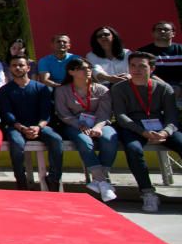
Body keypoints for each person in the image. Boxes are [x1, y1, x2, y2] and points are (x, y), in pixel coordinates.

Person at [111, 51, 179, 213]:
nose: (136, 70)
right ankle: (147, 192)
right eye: (133, 66)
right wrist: (142, 132)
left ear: (152, 68)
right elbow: (120, 116)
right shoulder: (119, 88)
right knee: (133, 149)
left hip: (160, 127)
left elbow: (172, 117)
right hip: (133, 128)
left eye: (142, 66)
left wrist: (165, 132)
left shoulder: (164, 88)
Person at [0, 56, 64, 191]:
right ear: (9, 69)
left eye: (21, 65)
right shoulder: (4, 91)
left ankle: (54, 179)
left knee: (56, 139)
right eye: (14, 65)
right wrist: (20, 126)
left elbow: (46, 113)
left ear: (28, 67)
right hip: (16, 127)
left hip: (39, 126)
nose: (18, 68)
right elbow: (7, 113)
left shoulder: (42, 88)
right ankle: (21, 181)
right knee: (16, 143)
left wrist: (38, 127)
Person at [54, 59, 118, 203]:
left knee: (109, 139)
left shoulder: (102, 89)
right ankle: (103, 182)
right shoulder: (62, 90)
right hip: (74, 125)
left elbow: (105, 113)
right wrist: (79, 124)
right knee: (84, 140)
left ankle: (99, 180)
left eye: (89, 67)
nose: (88, 70)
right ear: (71, 72)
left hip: (100, 124)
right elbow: (63, 114)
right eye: (82, 68)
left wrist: (97, 127)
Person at [138, 21, 182, 96]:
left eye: (166, 29)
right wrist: (165, 86)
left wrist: (180, 86)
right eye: (158, 29)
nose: (162, 31)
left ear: (173, 34)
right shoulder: (142, 52)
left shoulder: (180, 49)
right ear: (153, 33)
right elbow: (143, 72)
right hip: (154, 88)